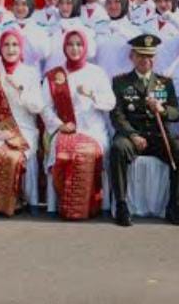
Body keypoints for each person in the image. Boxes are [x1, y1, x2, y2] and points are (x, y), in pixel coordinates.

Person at [109, 34, 179, 227]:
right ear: (132, 57)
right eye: (140, 56)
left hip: (157, 135)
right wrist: (132, 135)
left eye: (150, 56)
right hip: (132, 136)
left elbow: (177, 113)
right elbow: (117, 115)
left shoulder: (165, 82)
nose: (146, 60)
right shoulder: (120, 82)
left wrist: (162, 110)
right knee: (118, 149)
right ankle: (122, 206)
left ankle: (174, 206)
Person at [41, 29, 116, 220]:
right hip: (65, 129)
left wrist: (92, 95)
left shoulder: (97, 73)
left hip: (92, 131)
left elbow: (110, 103)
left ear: (85, 47)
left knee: (84, 152)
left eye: (79, 44)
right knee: (65, 151)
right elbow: (45, 108)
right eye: (70, 44)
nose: (74, 48)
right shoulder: (55, 75)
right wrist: (59, 124)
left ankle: (87, 206)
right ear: (64, 47)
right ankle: (66, 204)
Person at [0, 29, 46, 216]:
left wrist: (22, 91)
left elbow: (37, 107)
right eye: (6, 44)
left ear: (21, 49)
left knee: (13, 157)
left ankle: (17, 199)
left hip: (24, 129)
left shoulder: (30, 73)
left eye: (15, 45)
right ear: (0, 48)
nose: (10, 49)